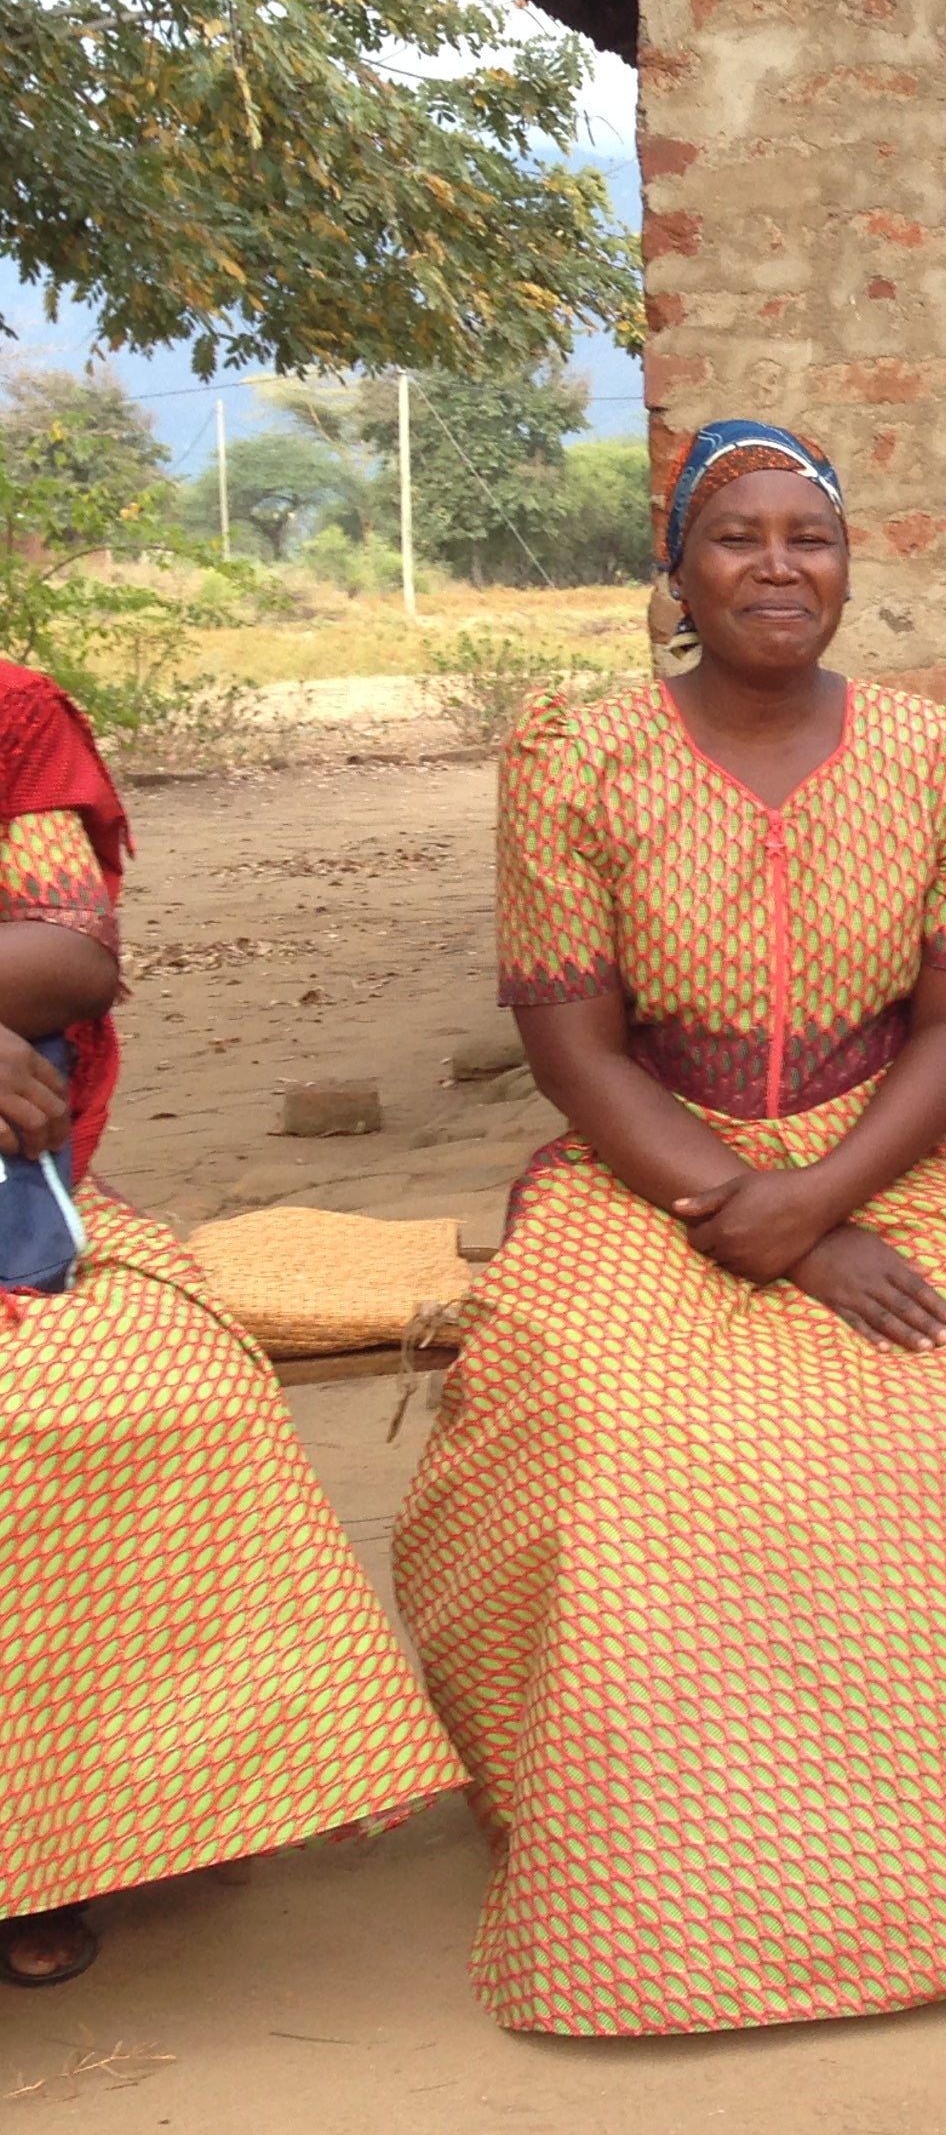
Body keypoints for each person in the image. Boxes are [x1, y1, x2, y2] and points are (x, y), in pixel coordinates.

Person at [393, 422, 946, 2037]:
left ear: (849, 565)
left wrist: (825, 1196)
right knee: (606, 1422)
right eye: (737, 537)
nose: (779, 566)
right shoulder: (579, 754)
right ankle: (659, 1878)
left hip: (889, 1145)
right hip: (652, 1150)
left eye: (812, 537)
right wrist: (746, 1211)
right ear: (679, 570)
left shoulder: (934, 748)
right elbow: (573, 1047)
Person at [1, 663, 461, 1991]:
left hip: (13, 1206)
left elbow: (73, 953)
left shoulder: (10, 717)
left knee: (162, 1390)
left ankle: (53, 1838)